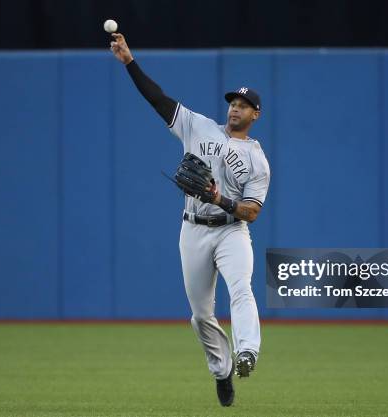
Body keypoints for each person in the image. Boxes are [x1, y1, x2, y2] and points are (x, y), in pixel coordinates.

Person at [110, 33, 270, 407]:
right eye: (233, 101)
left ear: (255, 115)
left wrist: (219, 197)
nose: (235, 108)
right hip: (193, 230)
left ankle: (247, 351)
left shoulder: (257, 161)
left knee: (241, 287)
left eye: (244, 105)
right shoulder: (198, 127)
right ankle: (222, 370)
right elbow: (158, 99)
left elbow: (251, 212)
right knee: (200, 316)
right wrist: (129, 62)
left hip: (231, 231)